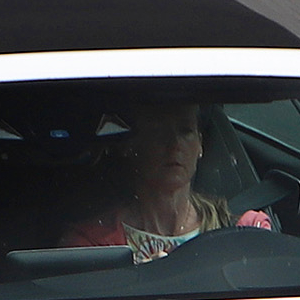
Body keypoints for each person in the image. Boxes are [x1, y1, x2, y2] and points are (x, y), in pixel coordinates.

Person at [59, 102, 272, 262]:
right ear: (129, 146)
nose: (174, 144)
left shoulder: (245, 230)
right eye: (157, 131)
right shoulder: (90, 246)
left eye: (185, 131)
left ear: (200, 146)